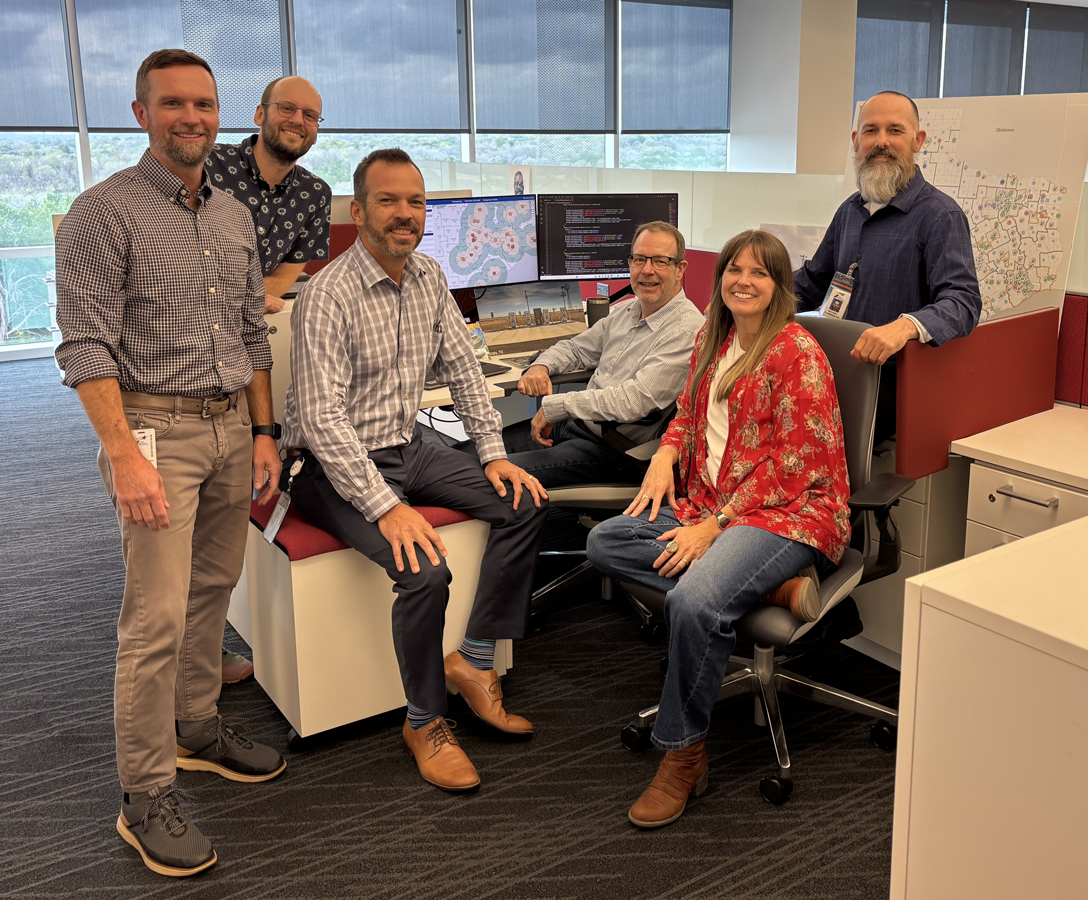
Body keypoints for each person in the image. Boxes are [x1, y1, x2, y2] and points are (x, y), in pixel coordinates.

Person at [54, 49, 285, 877]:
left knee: (212, 590)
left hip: (231, 427)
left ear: (221, 114)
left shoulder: (232, 216)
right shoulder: (102, 212)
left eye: (204, 104)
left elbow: (253, 332)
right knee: (153, 620)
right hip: (154, 429)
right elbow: (84, 345)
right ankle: (144, 793)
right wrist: (123, 455)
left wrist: (264, 430)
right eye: (174, 103)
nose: (192, 117)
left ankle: (197, 727)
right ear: (140, 113)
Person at [280, 148, 550, 793]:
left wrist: (492, 453)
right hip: (330, 464)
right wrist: (386, 506)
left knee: (526, 501)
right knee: (426, 571)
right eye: (388, 200)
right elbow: (321, 420)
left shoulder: (428, 275)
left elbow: (463, 371)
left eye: (416, 202)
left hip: (408, 444)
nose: (405, 213)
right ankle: (425, 719)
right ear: (358, 211)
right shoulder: (327, 295)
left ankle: (475, 659)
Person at [586, 230, 852, 829]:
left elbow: (796, 464)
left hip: (787, 512)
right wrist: (664, 454)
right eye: (735, 270)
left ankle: (684, 756)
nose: (743, 281)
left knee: (694, 601)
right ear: (720, 277)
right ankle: (773, 588)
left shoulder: (796, 352)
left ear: (779, 286)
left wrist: (716, 526)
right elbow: (686, 414)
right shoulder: (714, 336)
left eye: (759, 273)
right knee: (604, 540)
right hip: (711, 504)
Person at [204, 75, 331, 684]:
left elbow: (285, 276)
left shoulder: (313, 193)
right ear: (259, 113)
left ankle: (206, 648)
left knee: (228, 515)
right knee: (180, 524)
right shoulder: (210, 168)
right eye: (288, 109)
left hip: (250, 354)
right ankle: (186, 665)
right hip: (186, 356)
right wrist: (241, 302)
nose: (298, 121)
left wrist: (255, 300)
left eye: (311, 115)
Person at [794, 90, 981, 441]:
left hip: (893, 384)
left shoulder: (941, 216)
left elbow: (963, 302)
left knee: (794, 431)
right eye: (871, 131)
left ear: (918, 141)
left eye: (895, 130)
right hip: (837, 370)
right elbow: (813, 281)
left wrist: (905, 326)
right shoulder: (850, 211)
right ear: (856, 141)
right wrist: (753, 297)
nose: (881, 142)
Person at [458, 222, 703, 488]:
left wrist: (559, 406)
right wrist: (541, 366)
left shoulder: (686, 329)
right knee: (460, 456)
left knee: (476, 476)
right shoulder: (627, 311)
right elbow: (576, 348)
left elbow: (632, 402)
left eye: (660, 261)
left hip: (611, 450)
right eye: (640, 259)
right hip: (573, 425)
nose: (647, 270)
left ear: (680, 269)